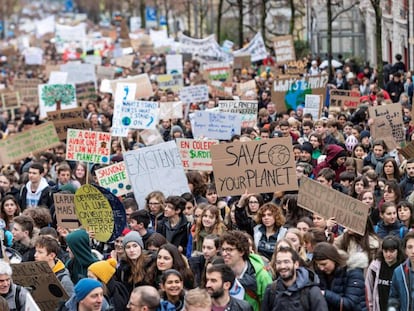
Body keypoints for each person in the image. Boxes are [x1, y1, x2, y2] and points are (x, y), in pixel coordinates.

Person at [261, 246, 328, 311]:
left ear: (296, 264)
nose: (282, 266)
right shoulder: (271, 290)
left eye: (286, 262)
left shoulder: (312, 292)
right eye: (279, 262)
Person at [220, 230, 273, 311]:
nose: (224, 253)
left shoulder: (262, 276)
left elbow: (270, 305)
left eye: (229, 250)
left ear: (241, 251)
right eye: (223, 249)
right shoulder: (221, 273)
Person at [313, 242, 367, 311]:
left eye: (324, 264)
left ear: (333, 259)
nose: (321, 268)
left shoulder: (353, 272)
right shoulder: (321, 273)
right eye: (318, 264)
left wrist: (325, 294)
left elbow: (350, 303)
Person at [365, 236, 405, 311]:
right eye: (385, 251)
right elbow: (368, 290)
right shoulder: (374, 267)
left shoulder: (403, 268)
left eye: (392, 251)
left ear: (398, 251)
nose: (388, 254)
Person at [388, 231, 414, 311]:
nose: (413, 251)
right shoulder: (399, 272)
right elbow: (393, 298)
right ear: (405, 251)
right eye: (410, 247)